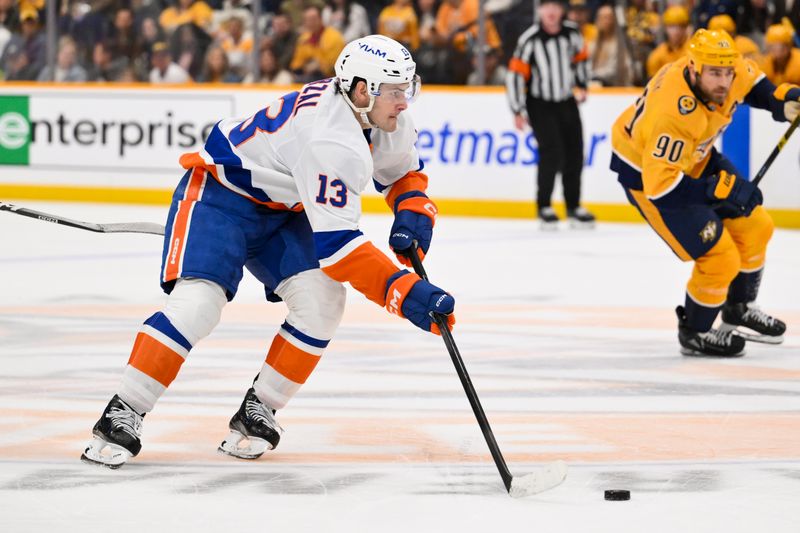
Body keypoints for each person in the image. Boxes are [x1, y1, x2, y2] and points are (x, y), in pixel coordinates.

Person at [80, 34, 456, 469]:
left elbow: (402, 175)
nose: (405, 102)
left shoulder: (382, 117)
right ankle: (123, 410)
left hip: (281, 208)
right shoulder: (329, 138)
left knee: (322, 302)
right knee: (199, 303)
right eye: (395, 91)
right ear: (361, 90)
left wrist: (413, 216)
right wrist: (406, 294)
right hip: (221, 198)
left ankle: (260, 408)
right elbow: (339, 250)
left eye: (408, 89)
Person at [610, 29, 795, 357]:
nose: (723, 82)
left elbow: (756, 88)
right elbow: (662, 188)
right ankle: (694, 332)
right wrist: (719, 190)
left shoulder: (723, 66)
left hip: (695, 156)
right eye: (714, 74)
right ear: (694, 69)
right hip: (647, 177)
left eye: (727, 73)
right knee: (720, 256)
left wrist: (782, 101)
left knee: (756, 227)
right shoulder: (671, 113)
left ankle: (738, 307)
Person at [505, 0, 595, 229]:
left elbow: (582, 59)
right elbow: (515, 75)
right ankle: (544, 205)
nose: (551, 11)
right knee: (551, 153)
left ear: (562, 9)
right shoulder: (530, 39)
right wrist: (517, 109)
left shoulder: (573, 34)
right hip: (540, 104)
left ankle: (573, 207)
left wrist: (582, 84)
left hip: (566, 101)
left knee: (575, 152)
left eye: (556, 6)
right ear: (540, 10)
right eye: (547, 6)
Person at [290, 5, 345, 83]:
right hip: (307, 76)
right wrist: (305, 67)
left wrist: (318, 65)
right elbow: (296, 64)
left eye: (313, 19)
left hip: (331, 79)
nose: (310, 23)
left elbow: (333, 66)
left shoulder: (334, 37)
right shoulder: (303, 39)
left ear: (320, 19)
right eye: (307, 20)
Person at [646, 5, 690, 80]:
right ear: (665, 28)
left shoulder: (693, 52)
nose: (676, 31)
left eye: (681, 26)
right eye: (672, 26)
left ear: (686, 28)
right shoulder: (657, 55)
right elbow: (652, 86)